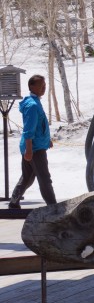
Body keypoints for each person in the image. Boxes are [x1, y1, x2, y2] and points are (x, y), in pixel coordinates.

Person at [8, 75, 56, 208]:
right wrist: (29, 150)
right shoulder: (33, 105)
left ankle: (13, 202)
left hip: (36, 146)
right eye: (41, 85)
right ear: (32, 87)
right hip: (34, 149)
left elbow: (40, 125)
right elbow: (29, 129)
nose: (44, 88)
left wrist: (47, 140)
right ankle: (53, 207)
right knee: (44, 178)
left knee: (27, 177)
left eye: (45, 85)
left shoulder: (34, 102)